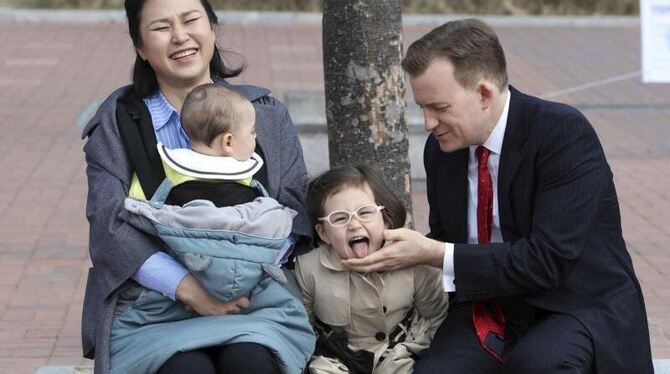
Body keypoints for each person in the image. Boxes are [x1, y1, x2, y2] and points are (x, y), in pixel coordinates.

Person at [344, 19, 653, 373]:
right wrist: (391, 254)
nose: (428, 123)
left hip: (572, 303)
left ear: (484, 94)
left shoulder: (562, 133)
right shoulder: (442, 149)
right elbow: (447, 239)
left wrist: (434, 253)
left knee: (537, 365)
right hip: (485, 307)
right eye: (422, 108)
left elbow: (547, 261)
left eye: (439, 108)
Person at [80, 0, 312, 373]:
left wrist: (239, 273)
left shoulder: (263, 113)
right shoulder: (117, 123)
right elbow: (109, 229)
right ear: (140, 46)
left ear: (213, 28)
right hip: (153, 310)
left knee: (251, 362)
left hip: (254, 303)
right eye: (161, 28)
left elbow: (296, 211)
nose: (180, 36)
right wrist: (188, 288)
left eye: (191, 20)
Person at [295, 165, 448, 373]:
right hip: (336, 359)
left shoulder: (412, 258)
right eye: (340, 218)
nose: (354, 225)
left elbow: (436, 316)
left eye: (365, 213)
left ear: (384, 220)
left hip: (399, 355)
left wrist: (415, 347)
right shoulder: (309, 268)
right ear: (323, 233)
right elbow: (300, 326)